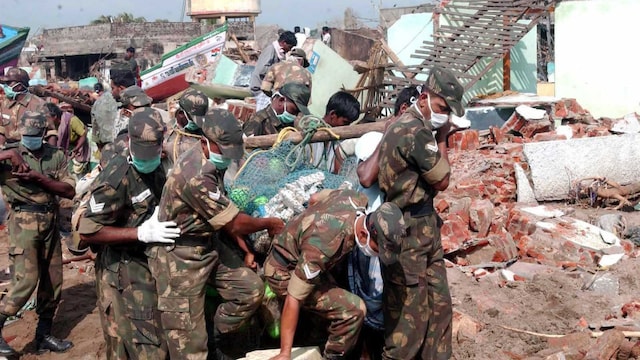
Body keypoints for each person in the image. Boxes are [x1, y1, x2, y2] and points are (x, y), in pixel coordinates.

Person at [149, 109, 284, 359]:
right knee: (189, 345)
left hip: (208, 243)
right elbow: (234, 222)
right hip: (180, 255)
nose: (227, 156)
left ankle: (215, 337)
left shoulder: (212, 163)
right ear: (204, 142)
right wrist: (268, 223)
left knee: (250, 290)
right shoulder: (197, 175)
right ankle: (199, 340)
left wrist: (245, 250)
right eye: (223, 148)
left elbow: (224, 216)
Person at [377, 66, 464, 360]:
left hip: (425, 225)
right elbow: (442, 179)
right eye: (442, 108)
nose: (446, 116)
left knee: (439, 308)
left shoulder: (416, 125)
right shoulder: (415, 130)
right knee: (408, 319)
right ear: (425, 97)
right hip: (407, 230)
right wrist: (443, 138)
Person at [78, 108, 178, 359]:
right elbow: (88, 232)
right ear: (130, 142)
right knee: (138, 343)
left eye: (153, 151)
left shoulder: (162, 159)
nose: (147, 158)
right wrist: (139, 233)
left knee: (151, 332)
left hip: (147, 262)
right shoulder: (116, 178)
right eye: (141, 153)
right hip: (121, 269)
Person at [264, 189, 405, 360]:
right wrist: (285, 353)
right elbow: (293, 298)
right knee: (354, 310)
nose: (378, 255)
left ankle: (321, 332)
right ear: (363, 234)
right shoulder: (322, 247)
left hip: (307, 256)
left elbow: (315, 198)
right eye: (378, 249)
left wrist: (309, 226)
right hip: (283, 271)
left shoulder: (356, 198)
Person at [0, 111, 76, 356]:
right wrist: (9, 153)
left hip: (50, 220)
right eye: (27, 135)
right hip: (23, 222)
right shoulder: (10, 155)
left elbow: (68, 190)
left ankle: (44, 334)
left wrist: (38, 178)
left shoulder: (56, 156)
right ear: (21, 134)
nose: (31, 139)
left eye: (36, 135)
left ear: (44, 134)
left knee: (53, 280)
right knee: (25, 281)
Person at [308, 91, 360, 174]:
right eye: (345, 122)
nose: (346, 127)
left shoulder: (341, 139)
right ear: (332, 114)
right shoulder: (310, 133)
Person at [0, 67, 51, 146]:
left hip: (30, 150)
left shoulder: (38, 105)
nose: (6, 86)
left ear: (19, 86)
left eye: (9, 83)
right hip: (8, 150)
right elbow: (1, 130)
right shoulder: (4, 103)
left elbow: (50, 133)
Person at [161, 88, 208, 173]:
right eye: (194, 118)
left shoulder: (210, 129)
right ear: (181, 113)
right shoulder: (167, 138)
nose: (198, 123)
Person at [250, 31, 297, 112]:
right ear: (283, 43)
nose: (289, 50)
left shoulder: (279, 53)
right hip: (260, 89)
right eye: (289, 47)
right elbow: (262, 69)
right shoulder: (270, 50)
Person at [243, 82, 310, 137]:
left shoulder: (287, 124)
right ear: (281, 100)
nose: (295, 115)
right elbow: (245, 149)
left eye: (297, 112)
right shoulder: (258, 121)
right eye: (294, 110)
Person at [43, 103, 90, 180]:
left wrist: (77, 148)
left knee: (76, 174)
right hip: (67, 147)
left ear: (54, 117)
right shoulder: (52, 125)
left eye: (47, 117)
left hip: (79, 145)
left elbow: (83, 134)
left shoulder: (71, 120)